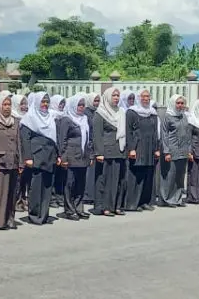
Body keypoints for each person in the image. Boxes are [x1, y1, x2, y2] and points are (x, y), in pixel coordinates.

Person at [19, 92, 59, 226]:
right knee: (36, 187)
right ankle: (35, 214)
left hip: (49, 155)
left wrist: (57, 155)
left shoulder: (50, 117)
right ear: (36, 102)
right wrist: (28, 157)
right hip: (36, 156)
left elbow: (55, 137)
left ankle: (44, 214)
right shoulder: (29, 118)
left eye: (47, 102)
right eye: (42, 102)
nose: (45, 104)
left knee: (47, 185)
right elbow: (25, 140)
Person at [0, 91, 22, 230]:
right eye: (4, 104)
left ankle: (10, 219)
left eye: (9, 104)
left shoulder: (15, 121)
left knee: (12, 193)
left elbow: (19, 143)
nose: (7, 107)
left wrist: (21, 162)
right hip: (0, 164)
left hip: (13, 161)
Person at [90, 86, 126, 217]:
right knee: (105, 180)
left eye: (118, 96)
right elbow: (97, 135)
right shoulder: (100, 113)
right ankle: (104, 207)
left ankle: (116, 206)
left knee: (118, 180)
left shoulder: (121, 112)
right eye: (114, 95)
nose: (116, 98)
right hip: (106, 152)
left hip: (119, 150)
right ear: (107, 97)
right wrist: (99, 152)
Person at [56, 94, 92, 220]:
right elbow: (62, 140)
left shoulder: (85, 118)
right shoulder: (66, 119)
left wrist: (90, 155)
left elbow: (88, 138)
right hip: (70, 156)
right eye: (79, 105)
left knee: (81, 184)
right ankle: (69, 210)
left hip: (83, 156)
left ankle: (79, 208)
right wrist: (63, 158)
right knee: (69, 184)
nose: (81, 107)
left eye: (83, 105)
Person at [124, 89, 159, 211]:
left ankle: (144, 201)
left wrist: (156, 149)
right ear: (139, 98)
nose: (146, 99)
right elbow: (128, 131)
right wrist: (131, 149)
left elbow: (155, 132)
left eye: (148, 97)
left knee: (148, 175)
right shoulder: (132, 112)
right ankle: (133, 203)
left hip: (149, 148)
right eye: (143, 96)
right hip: (137, 147)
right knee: (136, 176)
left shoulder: (153, 113)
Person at [157, 94, 191, 207]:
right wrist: (166, 152)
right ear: (173, 104)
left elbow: (188, 134)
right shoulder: (168, 116)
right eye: (178, 103)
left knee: (180, 176)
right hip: (171, 151)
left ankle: (177, 198)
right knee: (169, 176)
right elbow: (164, 135)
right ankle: (166, 199)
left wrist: (189, 150)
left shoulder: (184, 116)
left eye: (182, 103)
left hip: (183, 151)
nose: (180, 105)